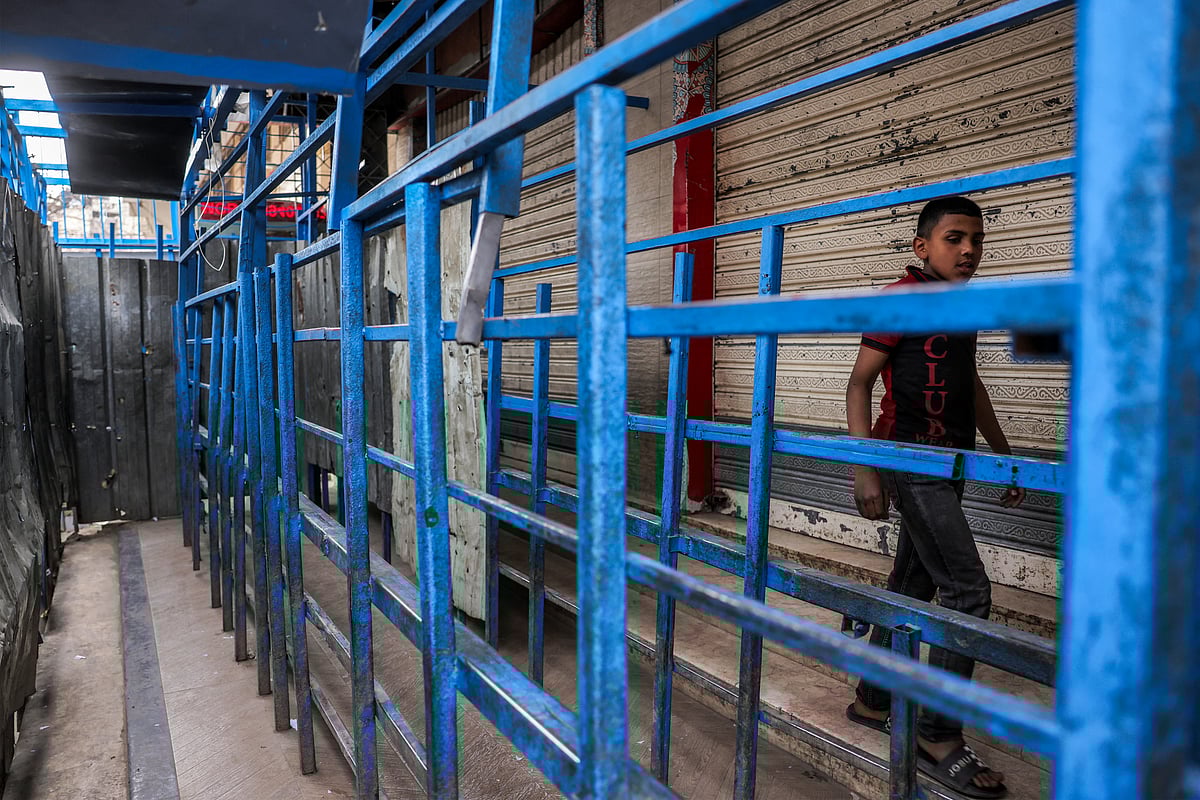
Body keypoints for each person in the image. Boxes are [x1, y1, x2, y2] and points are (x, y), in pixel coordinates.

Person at [843, 196, 1024, 799]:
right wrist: (868, 470)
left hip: (951, 462)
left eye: (976, 239)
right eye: (954, 238)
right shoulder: (904, 299)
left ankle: (873, 699)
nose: (968, 249)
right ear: (923, 247)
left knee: (914, 585)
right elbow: (859, 383)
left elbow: (971, 386)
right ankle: (938, 734)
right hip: (910, 459)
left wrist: (1000, 453)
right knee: (969, 590)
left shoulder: (962, 306)